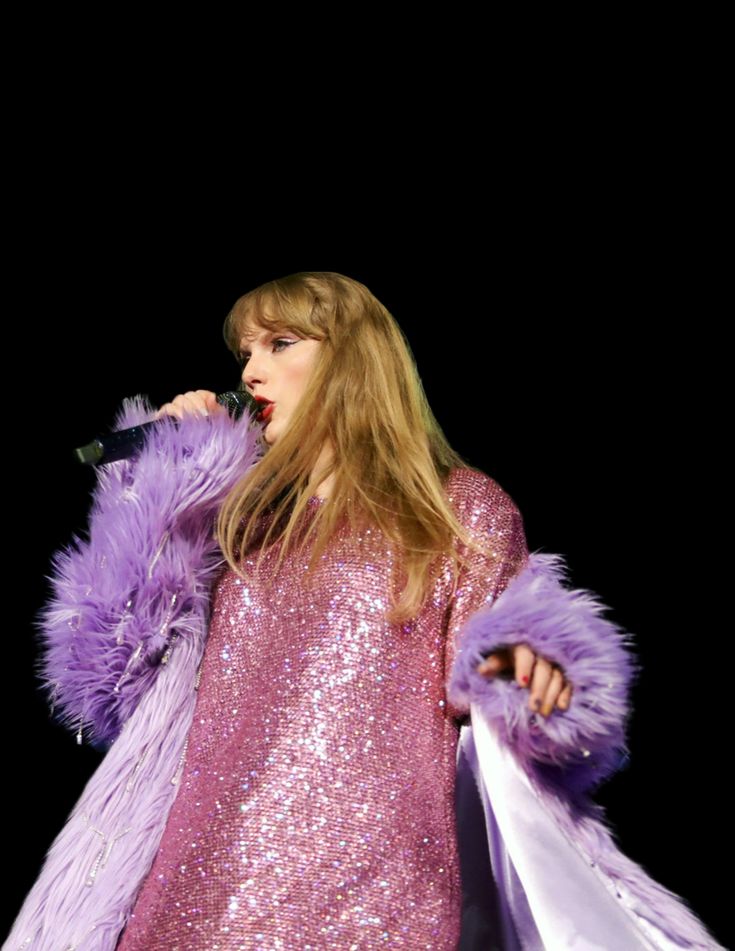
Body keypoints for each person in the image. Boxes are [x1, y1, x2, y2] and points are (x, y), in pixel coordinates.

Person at [5, 272, 722, 950]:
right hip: (195, 884)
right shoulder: (231, 522)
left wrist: (527, 667)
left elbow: (487, 679)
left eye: (280, 343)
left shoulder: (455, 510)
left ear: (353, 360)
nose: (250, 370)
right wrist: (161, 486)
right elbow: (109, 688)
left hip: (375, 888)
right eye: (245, 351)